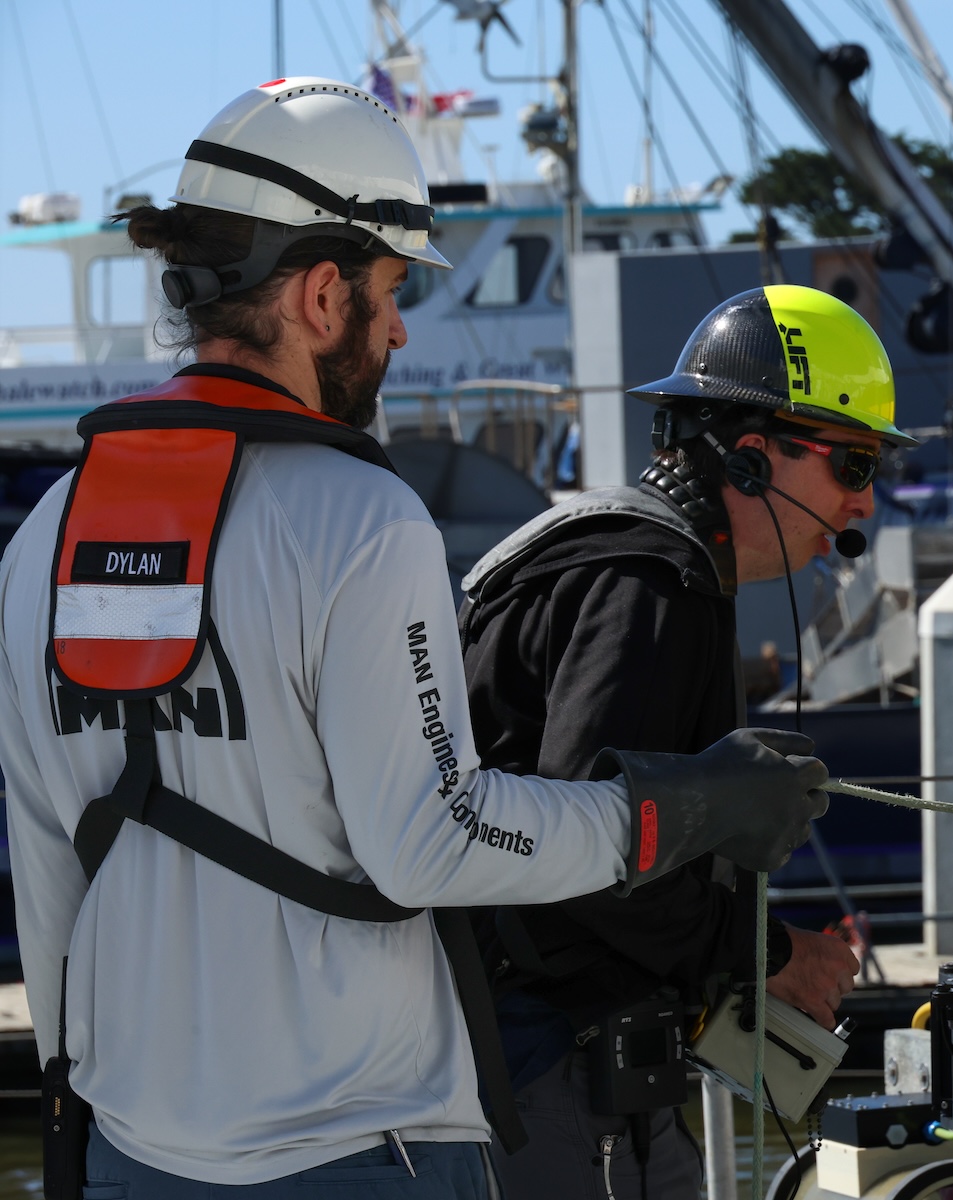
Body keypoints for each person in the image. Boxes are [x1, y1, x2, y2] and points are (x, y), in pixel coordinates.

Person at [0, 79, 827, 1199]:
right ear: (323, 292)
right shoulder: (357, 519)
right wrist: (677, 813)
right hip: (355, 1149)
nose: (396, 329)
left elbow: (49, 867)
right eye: (392, 293)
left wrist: (68, 1103)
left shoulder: (52, 527)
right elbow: (432, 841)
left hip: (129, 1154)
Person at [459, 284, 916, 1198]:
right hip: (551, 1066)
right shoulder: (653, 584)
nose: (866, 504)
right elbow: (589, 845)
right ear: (753, 460)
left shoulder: (606, 552)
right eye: (855, 465)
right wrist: (769, 953)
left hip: (529, 1052)